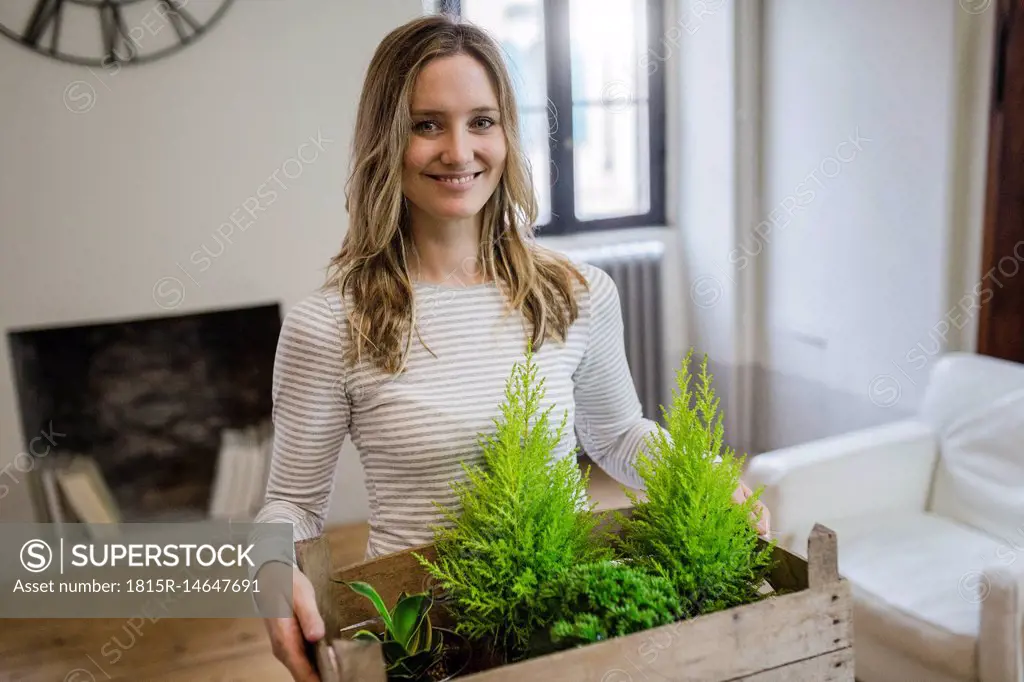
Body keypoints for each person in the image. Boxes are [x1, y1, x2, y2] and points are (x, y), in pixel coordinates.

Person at [255, 13, 770, 682]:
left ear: (507, 134)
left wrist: (702, 477)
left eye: (482, 121)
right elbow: (291, 504)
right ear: (386, 139)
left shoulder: (577, 292)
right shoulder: (329, 324)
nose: (460, 151)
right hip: (419, 639)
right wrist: (269, 572)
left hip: (556, 624)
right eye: (427, 124)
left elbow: (615, 435)